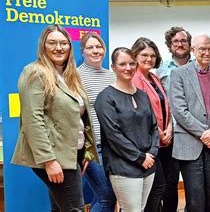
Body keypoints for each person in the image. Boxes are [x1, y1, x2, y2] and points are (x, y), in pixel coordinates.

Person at [12, 24, 99, 211]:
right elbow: (32, 119)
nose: (58, 48)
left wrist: (84, 152)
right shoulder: (35, 72)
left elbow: (78, 119)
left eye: (63, 43)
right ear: (43, 46)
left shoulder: (69, 75)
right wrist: (49, 161)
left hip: (72, 153)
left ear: (70, 46)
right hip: (54, 156)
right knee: (74, 208)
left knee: (60, 208)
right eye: (52, 43)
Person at [169, 34, 210, 212]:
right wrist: (205, 134)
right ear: (193, 50)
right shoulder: (179, 74)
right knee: (195, 200)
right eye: (202, 49)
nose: (207, 52)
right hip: (190, 144)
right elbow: (179, 110)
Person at [95, 47, 159, 211]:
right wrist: (140, 157)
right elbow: (113, 135)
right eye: (122, 64)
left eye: (132, 63)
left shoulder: (142, 95)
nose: (128, 68)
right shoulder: (105, 97)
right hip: (123, 166)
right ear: (113, 67)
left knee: (141, 208)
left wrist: (151, 153)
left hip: (148, 163)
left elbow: (153, 127)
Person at [151, 26, 192, 212]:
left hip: (194, 134)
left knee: (194, 183)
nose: (180, 44)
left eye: (183, 40)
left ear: (190, 44)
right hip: (170, 135)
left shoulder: (198, 66)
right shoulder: (161, 70)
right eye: (175, 41)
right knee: (170, 183)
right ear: (169, 45)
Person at [77, 32, 117, 212]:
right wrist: (84, 149)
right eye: (90, 47)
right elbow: (74, 116)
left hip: (113, 146)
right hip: (93, 147)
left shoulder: (112, 76)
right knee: (107, 197)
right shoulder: (75, 77)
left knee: (101, 197)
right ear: (82, 51)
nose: (95, 51)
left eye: (99, 46)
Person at [131, 37, 171, 212]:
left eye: (152, 55)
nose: (149, 59)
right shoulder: (134, 79)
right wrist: (159, 131)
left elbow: (165, 106)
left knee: (159, 188)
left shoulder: (154, 77)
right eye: (144, 55)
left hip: (163, 141)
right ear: (135, 56)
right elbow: (141, 113)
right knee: (155, 188)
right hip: (147, 143)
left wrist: (169, 128)